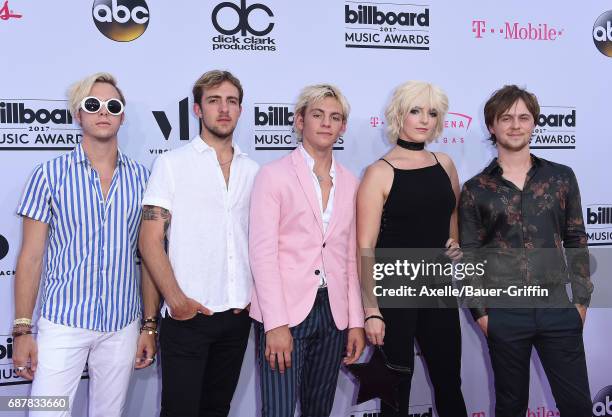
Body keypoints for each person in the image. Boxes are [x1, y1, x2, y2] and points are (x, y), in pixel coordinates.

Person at [12, 72, 158, 417]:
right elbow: (31, 257)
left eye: (112, 105)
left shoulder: (144, 178)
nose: (103, 112)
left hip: (122, 325)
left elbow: (152, 256)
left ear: (122, 115)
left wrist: (149, 326)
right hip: (64, 321)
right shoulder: (48, 174)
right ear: (78, 114)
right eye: (93, 105)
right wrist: (22, 328)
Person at [459, 84, 593, 417]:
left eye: (523, 117)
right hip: (504, 312)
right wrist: (483, 315)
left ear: (534, 123)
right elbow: (470, 256)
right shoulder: (476, 189)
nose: (515, 125)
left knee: (578, 406)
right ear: (492, 126)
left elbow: (576, 238)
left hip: (558, 308)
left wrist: (580, 302)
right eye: (506, 118)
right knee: (510, 407)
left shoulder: (561, 178)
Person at [139, 70, 258, 417]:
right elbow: (149, 240)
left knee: (217, 409)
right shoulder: (171, 164)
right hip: (187, 316)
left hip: (237, 317)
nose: (224, 109)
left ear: (240, 109)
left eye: (232, 101)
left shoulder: (253, 170)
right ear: (197, 110)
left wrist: (248, 300)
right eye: (214, 101)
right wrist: (176, 301)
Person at [249, 84, 365, 417]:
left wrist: (355, 322)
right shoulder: (272, 176)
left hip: (334, 314)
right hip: (285, 313)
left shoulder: (351, 181)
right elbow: (263, 255)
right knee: (279, 411)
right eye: (317, 115)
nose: (326, 123)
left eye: (335, 117)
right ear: (300, 121)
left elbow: (348, 258)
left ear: (343, 127)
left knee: (319, 411)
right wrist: (275, 324)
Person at [356, 80, 467, 416]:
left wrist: (456, 244)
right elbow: (365, 246)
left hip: (438, 290)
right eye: (416, 111)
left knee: (449, 382)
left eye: (432, 113)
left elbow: (451, 217)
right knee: (395, 391)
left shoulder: (445, 164)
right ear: (399, 114)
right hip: (395, 293)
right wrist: (371, 310)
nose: (424, 120)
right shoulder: (378, 172)